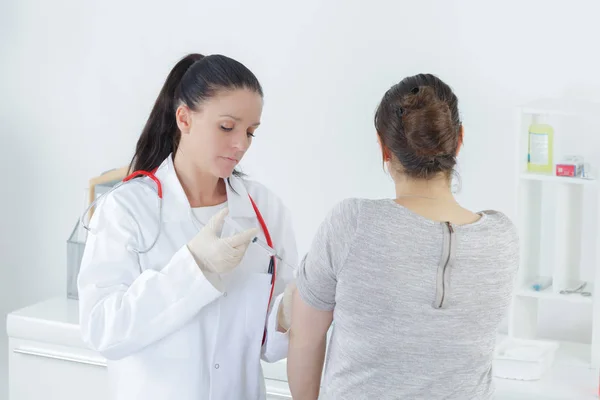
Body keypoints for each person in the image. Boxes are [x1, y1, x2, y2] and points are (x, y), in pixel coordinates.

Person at [78, 53, 298, 400]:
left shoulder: (265, 210)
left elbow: (267, 345)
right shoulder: (127, 209)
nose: (241, 144)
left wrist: (287, 313)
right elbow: (103, 330)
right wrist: (194, 267)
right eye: (227, 127)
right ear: (184, 118)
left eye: (251, 132)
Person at [287, 74, 519, 399]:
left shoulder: (353, 223)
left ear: (384, 147)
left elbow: (305, 338)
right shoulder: (502, 238)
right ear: (459, 140)